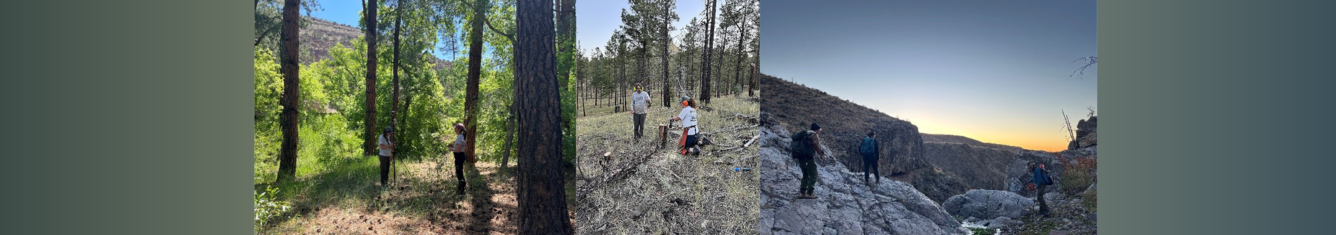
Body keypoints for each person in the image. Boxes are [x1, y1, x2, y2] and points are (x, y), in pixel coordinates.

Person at [793, 123, 828, 199]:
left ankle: (802, 193)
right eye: (819, 130)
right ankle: (809, 193)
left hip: (800, 157)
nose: (820, 131)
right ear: (817, 129)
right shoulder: (813, 135)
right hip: (809, 158)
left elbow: (794, 139)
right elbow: (817, 146)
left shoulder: (803, 133)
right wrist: (822, 155)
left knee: (805, 175)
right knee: (813, 174)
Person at [449, 123, 468, 195]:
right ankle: (461, 187)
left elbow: (459, 150)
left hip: (459, 156)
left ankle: (462, 188)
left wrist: (451, 149)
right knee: (459, 172)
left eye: (456, 128)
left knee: (459, 172)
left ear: (459, 129)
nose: (454, 129)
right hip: (459, 156)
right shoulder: (460, 136)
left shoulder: (460, 137)